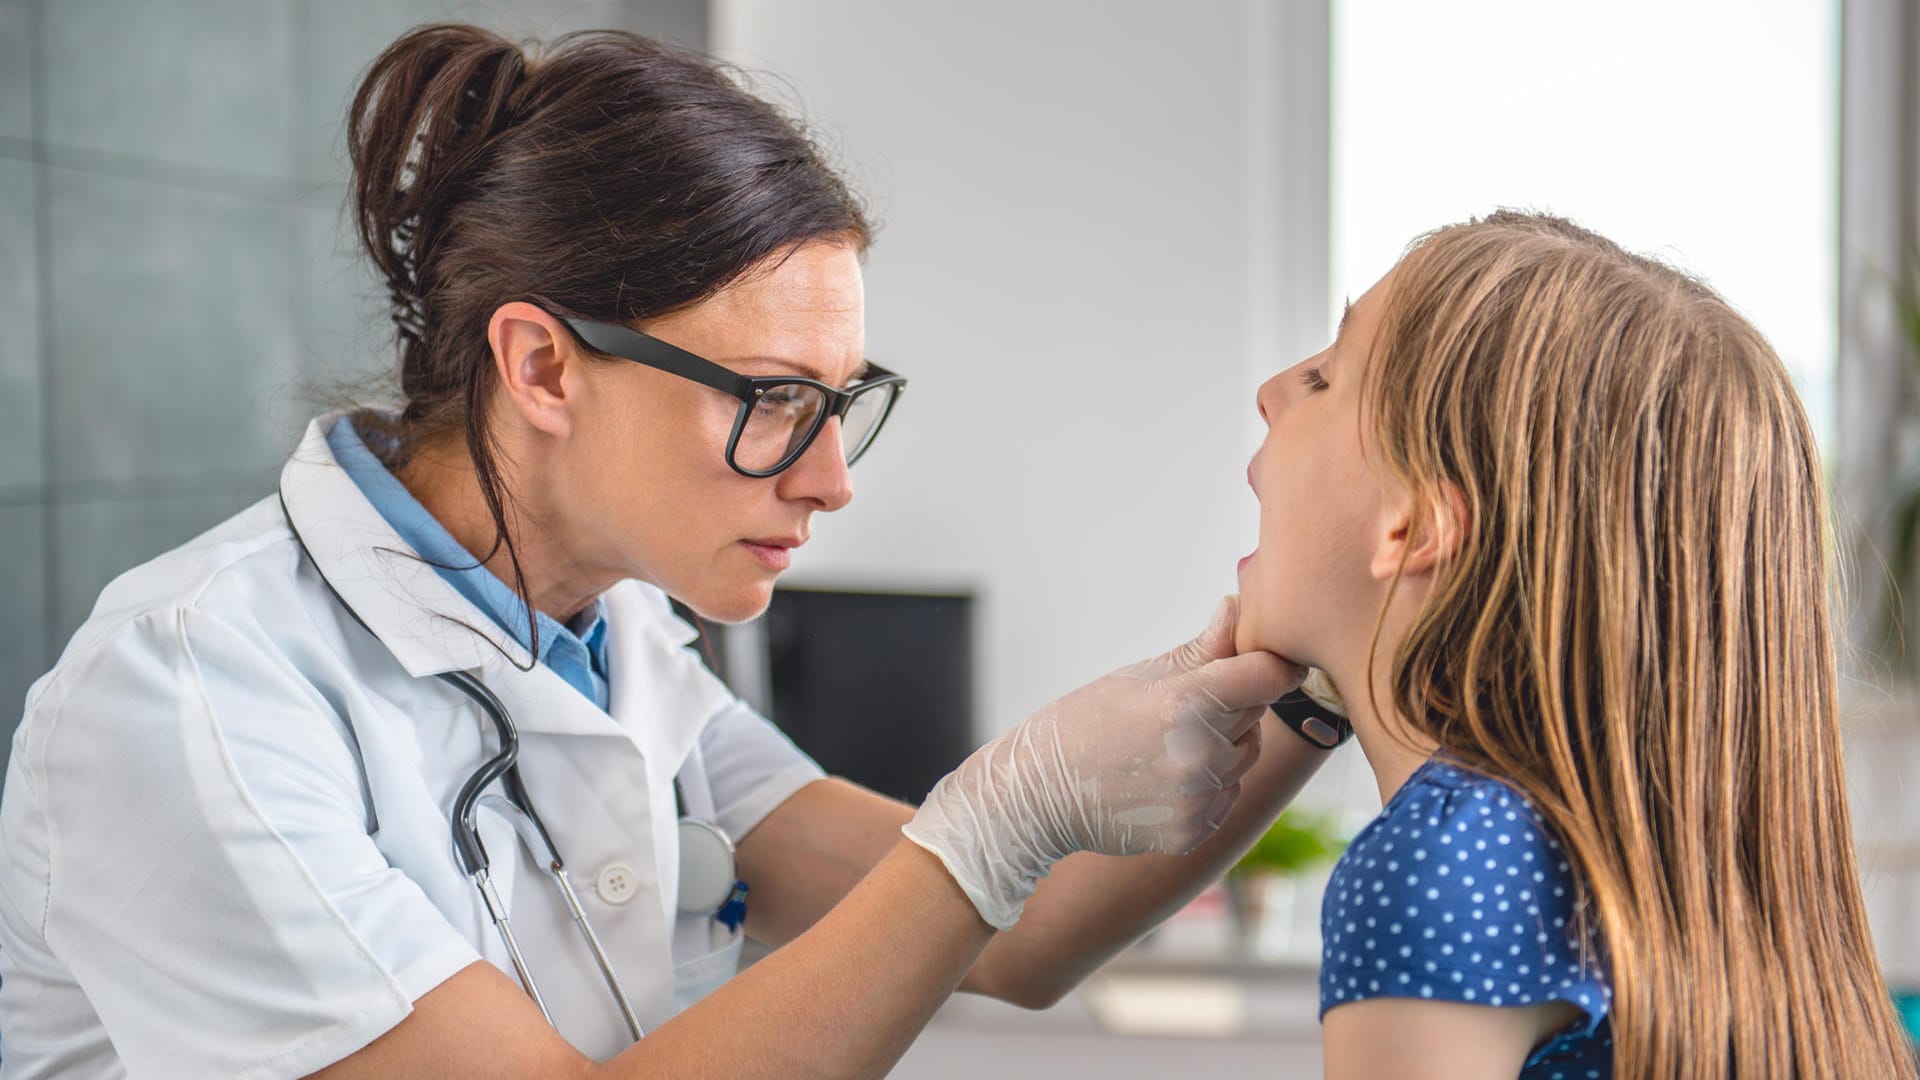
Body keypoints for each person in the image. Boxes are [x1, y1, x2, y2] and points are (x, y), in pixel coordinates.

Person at [0, 24, 1332, 1079]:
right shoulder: (198, 697)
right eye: (769, 402)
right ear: (541, 366)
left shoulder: (616, 645)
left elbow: (1022, 940)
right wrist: (991, 823)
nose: (827, 483)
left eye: (840, 403)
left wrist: (1308, 687)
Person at [1235, 210, 1920, 1078]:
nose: (1270, 390)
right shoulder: (1636, 850)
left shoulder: (1440, 862)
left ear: (1418, 522)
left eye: (1327, 378)